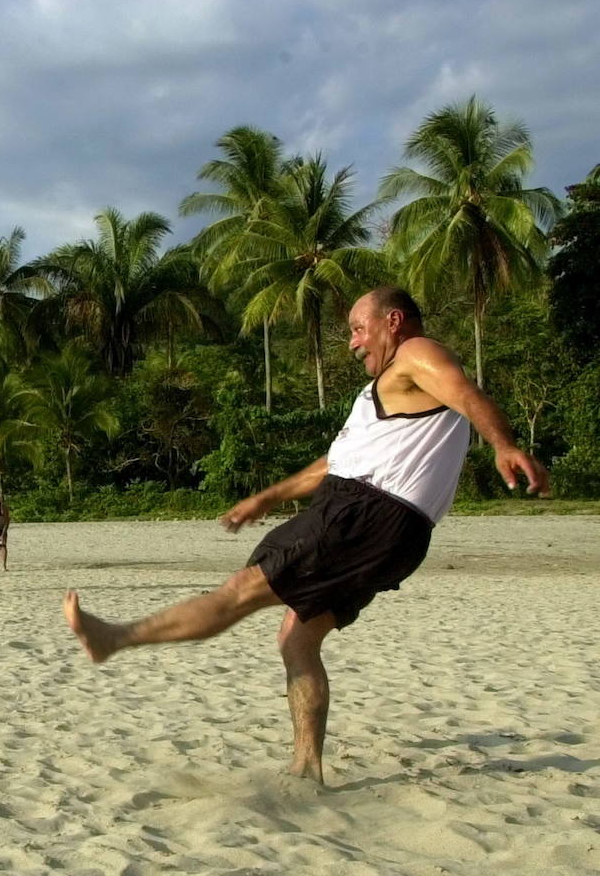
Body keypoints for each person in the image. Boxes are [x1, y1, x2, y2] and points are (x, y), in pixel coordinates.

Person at [63, 287, 550, 784]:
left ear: (394, 321)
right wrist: (267, 498)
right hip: (399, 536)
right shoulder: (387, 393)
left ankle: (114, 638)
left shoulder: (415, 354)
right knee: (296, 637)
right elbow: (336, 463)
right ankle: (307, 766)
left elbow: (469, 396)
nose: (353, 343)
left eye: (360, 329)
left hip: (363, 515)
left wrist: (505, 444)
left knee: (238, 593)